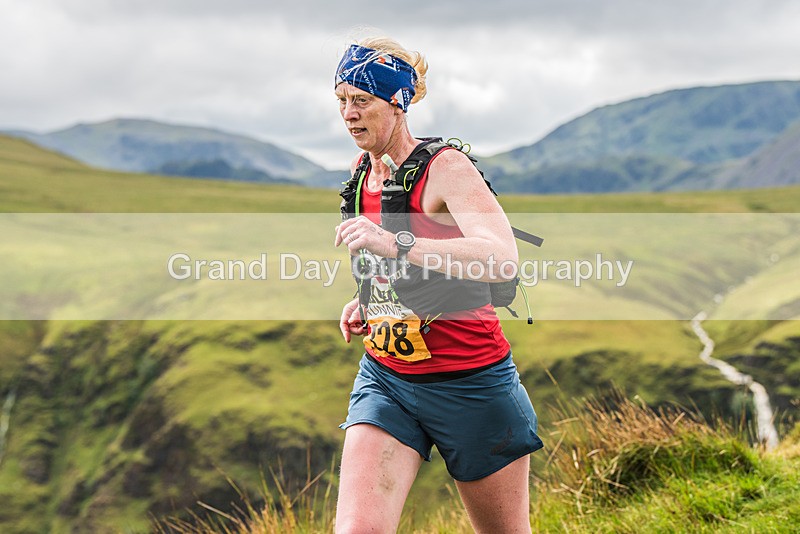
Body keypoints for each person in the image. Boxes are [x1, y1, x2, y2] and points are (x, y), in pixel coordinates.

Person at [332, 36, 543, 533]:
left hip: (471, 382)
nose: (348, 113)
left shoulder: (445, 168)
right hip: (386, 378)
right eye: (341, 99)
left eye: (361, 100)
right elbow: (393, 266)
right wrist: (370, 299)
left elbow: (501, 258)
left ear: (398, 102)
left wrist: (396, 243)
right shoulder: (362, 171)